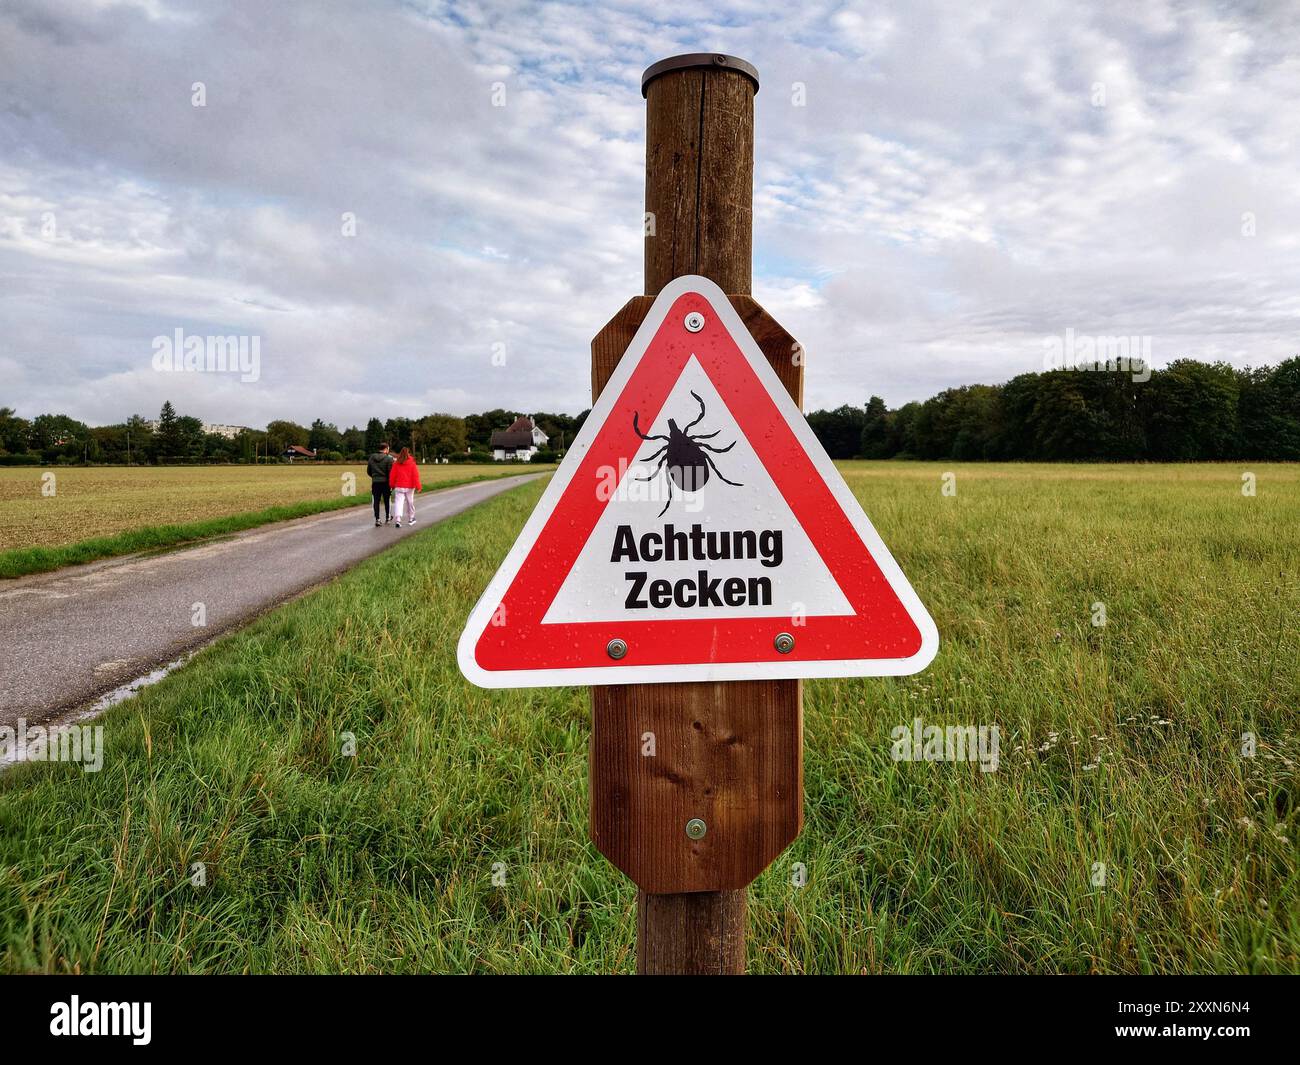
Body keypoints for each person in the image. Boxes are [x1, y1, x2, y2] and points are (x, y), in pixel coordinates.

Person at [388, 446, 422, 528]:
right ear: (408, 453)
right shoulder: (412, 463)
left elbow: (392, 476)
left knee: (398, 503)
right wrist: (418, 486)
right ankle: (411, 518)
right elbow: (415, 476)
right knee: (410, 502)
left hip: (399, 486)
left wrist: (391, 485)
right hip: (410, 487)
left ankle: (398, 520)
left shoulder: (396, 464)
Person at [366, 442, 396, 526]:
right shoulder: (389, 459)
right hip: (386, 483)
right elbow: (391, 473)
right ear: (386, 449)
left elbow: (368, 471)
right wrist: (391, 484)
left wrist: (374, 477)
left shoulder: (372, 457)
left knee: (376, 501)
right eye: (388, 449)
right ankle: (388, 517)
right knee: (387, 500)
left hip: (375, 482)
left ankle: (377, 519)